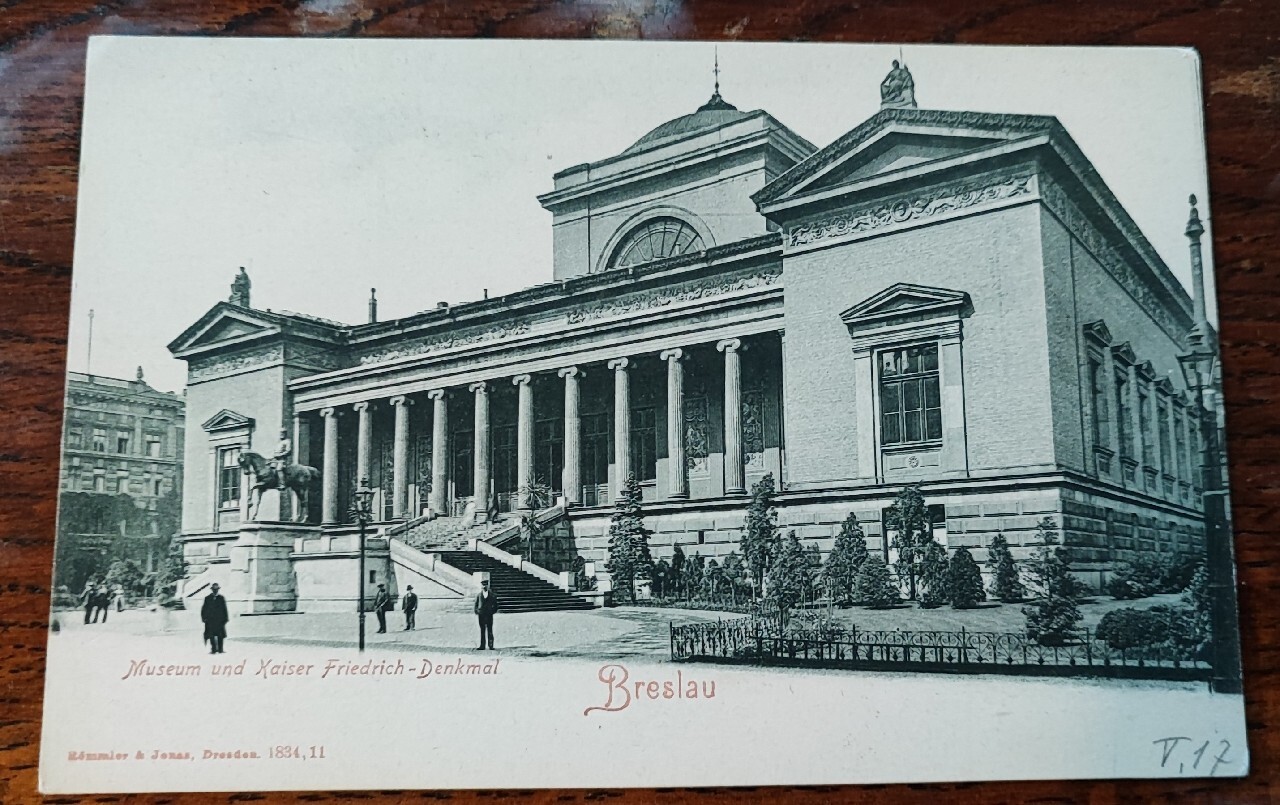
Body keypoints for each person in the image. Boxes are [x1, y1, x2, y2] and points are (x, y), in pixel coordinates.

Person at [201, 583, 229, 654]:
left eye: (216, 590)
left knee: (220, 635)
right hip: (210, 620)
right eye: (214, 590)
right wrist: (204, 618)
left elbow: (224, 609)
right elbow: (204, 609)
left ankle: (220, 649)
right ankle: (213, 649)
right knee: (211, 635)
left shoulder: (221, 598)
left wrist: (225, 618)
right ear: (212, 590)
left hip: (219, 620)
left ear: (218, 590)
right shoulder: (207, 598)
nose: (215, 591)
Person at [474, 578, 499, 650]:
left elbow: (495, 605)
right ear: (481, 586)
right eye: (483, 585)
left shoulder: (492, 595)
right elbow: (476, 604)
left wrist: (493, 611)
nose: (484, 587)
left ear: (488, 586)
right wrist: (477, 611)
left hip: (489, 614)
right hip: (481, 614)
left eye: (485, 585)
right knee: (482, 630)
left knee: (490, 629)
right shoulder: (479, 595)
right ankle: (482, 645)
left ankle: (491, 645)